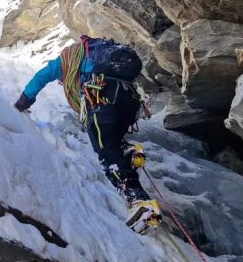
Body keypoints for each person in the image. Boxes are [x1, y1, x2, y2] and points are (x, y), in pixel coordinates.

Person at [14, 35, 162, 233]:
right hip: (128, 97)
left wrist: (23, 102)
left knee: (106, 151)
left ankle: (138, 200)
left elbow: (42, 76)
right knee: (113, 140)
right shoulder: (97, 54)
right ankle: (127, 151)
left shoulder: (67, 59)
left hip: (101, 96)